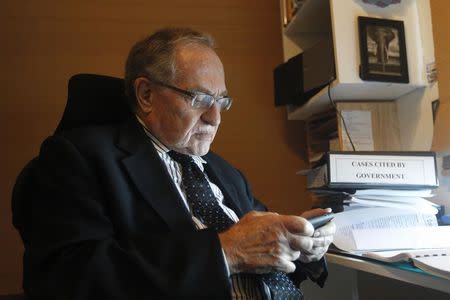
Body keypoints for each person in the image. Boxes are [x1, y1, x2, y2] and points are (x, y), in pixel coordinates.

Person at [19, 27, 335, 299]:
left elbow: (264, 266)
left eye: (221, 100)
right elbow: (67, 280)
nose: (215, 118)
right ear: (145, 94)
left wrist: (298, 245)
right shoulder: (80, 158)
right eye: (199, 99)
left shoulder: (226, 173)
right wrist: (225, 252)